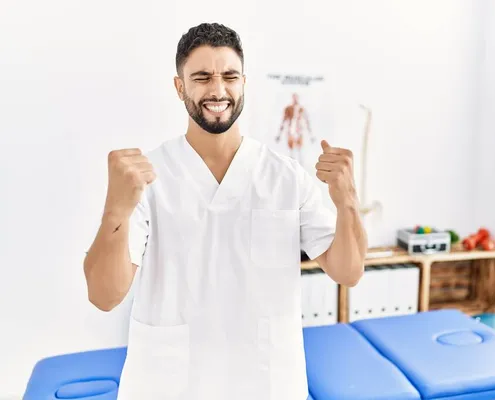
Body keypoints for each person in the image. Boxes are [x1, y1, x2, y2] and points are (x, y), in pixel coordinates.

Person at [83, 22, 367, 400]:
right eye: (201, 77)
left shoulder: (285, 177)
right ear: (179, 86)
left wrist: (347, 201)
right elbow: (104, 296)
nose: (217, 90)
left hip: (265, 381)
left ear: (244, 83)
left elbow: (348, 272)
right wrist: (114, 211)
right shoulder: (148, 177)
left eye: (229, 76)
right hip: (170, 383)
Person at [275, 93, 316, 167]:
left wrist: (311, 135)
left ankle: (300, 166)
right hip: (291, 130)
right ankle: (291, 165)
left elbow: (307, 121)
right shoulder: (288, 109)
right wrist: (279, 134)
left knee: (299, 149)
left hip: (299, 130)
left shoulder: (302, 109)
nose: (295, 100)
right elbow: (283, 121)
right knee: (291, 149)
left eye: (296, 98)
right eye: (294, 98)